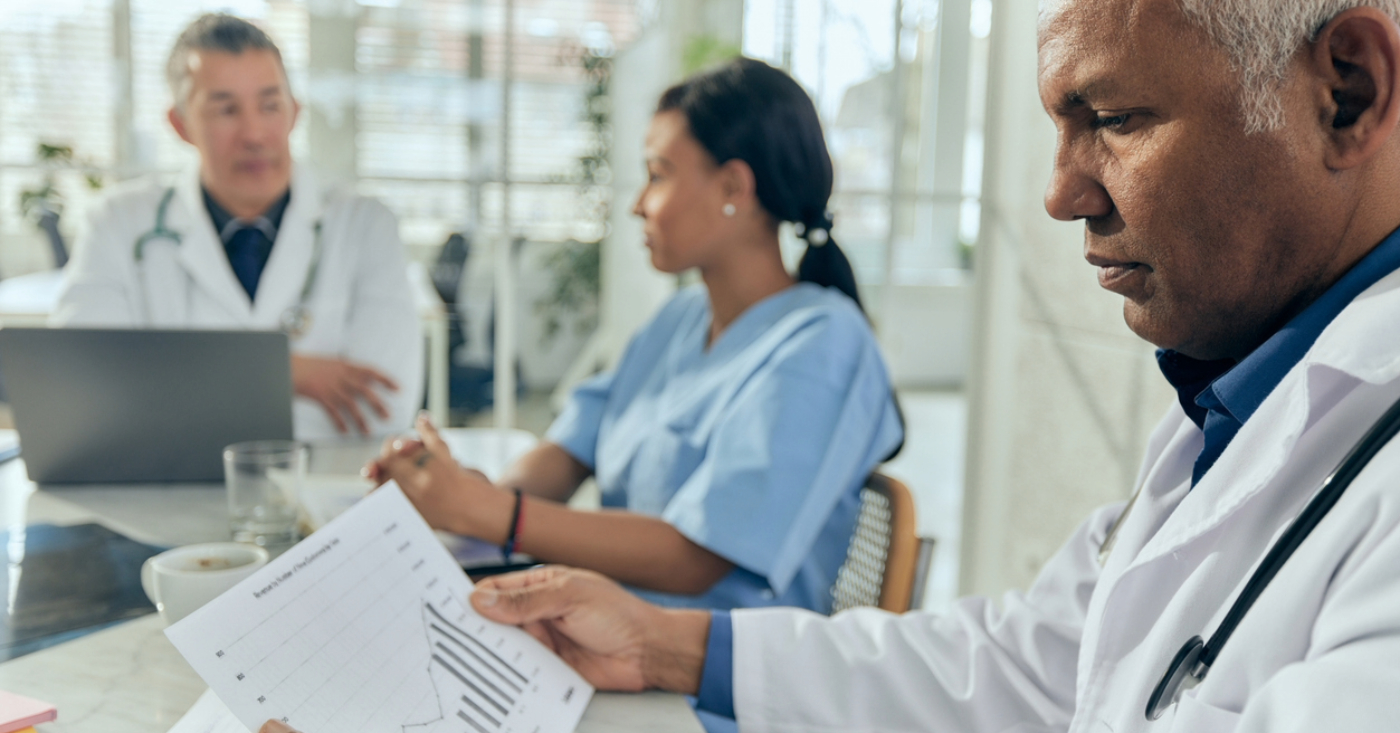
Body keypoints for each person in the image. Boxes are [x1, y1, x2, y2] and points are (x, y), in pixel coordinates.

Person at [250, 1, 1400, 731]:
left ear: (1343, 92)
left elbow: (705, 552)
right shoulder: (1228, 406)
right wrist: (650, 634)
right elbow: (1032, 661)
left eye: (1114, 117)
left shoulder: (816, 345)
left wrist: (493, 514)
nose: (1058, 194)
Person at [367, 58, 904, 619]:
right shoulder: (679, 319)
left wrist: (492, 513)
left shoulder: (824, 345)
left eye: (658, 175)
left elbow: (695, 559)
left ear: (733, 187)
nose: (637, 204)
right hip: (608, 628)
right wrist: (463, 493)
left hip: (712, 661)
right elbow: (570, 450)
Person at [52, 14, 422, 439]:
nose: (254, 134)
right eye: (226, 109)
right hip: (164, 483)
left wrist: (174, 386)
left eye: (270, 105)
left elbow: (383, 409)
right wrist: (289, 373)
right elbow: (85, 390)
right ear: (180, 124)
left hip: (326, 481)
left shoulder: (365, 225)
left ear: (295, 111)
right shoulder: (116, 224)